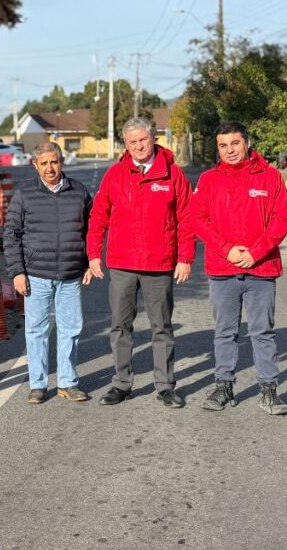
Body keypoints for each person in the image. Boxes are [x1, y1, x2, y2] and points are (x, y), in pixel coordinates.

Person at [86, 117, 195, 409]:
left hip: (160, 265)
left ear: (154, 138)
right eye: (132, 142)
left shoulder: (173, 175)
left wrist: (185, 257)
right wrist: (94, 253)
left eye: (143, 140)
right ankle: (122, 383)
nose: (138, 146)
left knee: (162, 327)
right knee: (120, 326)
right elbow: (98, 217)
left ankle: (165, 386)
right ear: (126, 144)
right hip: (122, 264)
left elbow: (187, 218)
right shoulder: (115, 175)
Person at [190, 121, 287, 415]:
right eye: (223, 146)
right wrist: (226, 249)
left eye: (235, 143)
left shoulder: (270, 177)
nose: (230, 150)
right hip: (223, 269)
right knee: (225, 331)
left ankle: (269, 391)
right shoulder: (209, 180)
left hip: (261, 269)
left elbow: (282, 219)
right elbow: (198, 219)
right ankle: (224, 386)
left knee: (262, 331)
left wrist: (257, 252)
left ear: (246, 143)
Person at [4, 142, 94, 404]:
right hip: (36, 276)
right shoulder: (24, 194)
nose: (49, 168)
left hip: (70, 274)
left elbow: (92, 229)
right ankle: (38, 384)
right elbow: (11, 234)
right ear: (35, 165)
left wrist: (89, 262)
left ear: (62, 161)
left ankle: (68, 382)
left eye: (54, 162)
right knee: (36, 331)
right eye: (43, 163)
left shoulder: (79, 192)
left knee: (71, 329)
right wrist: (18, 272)